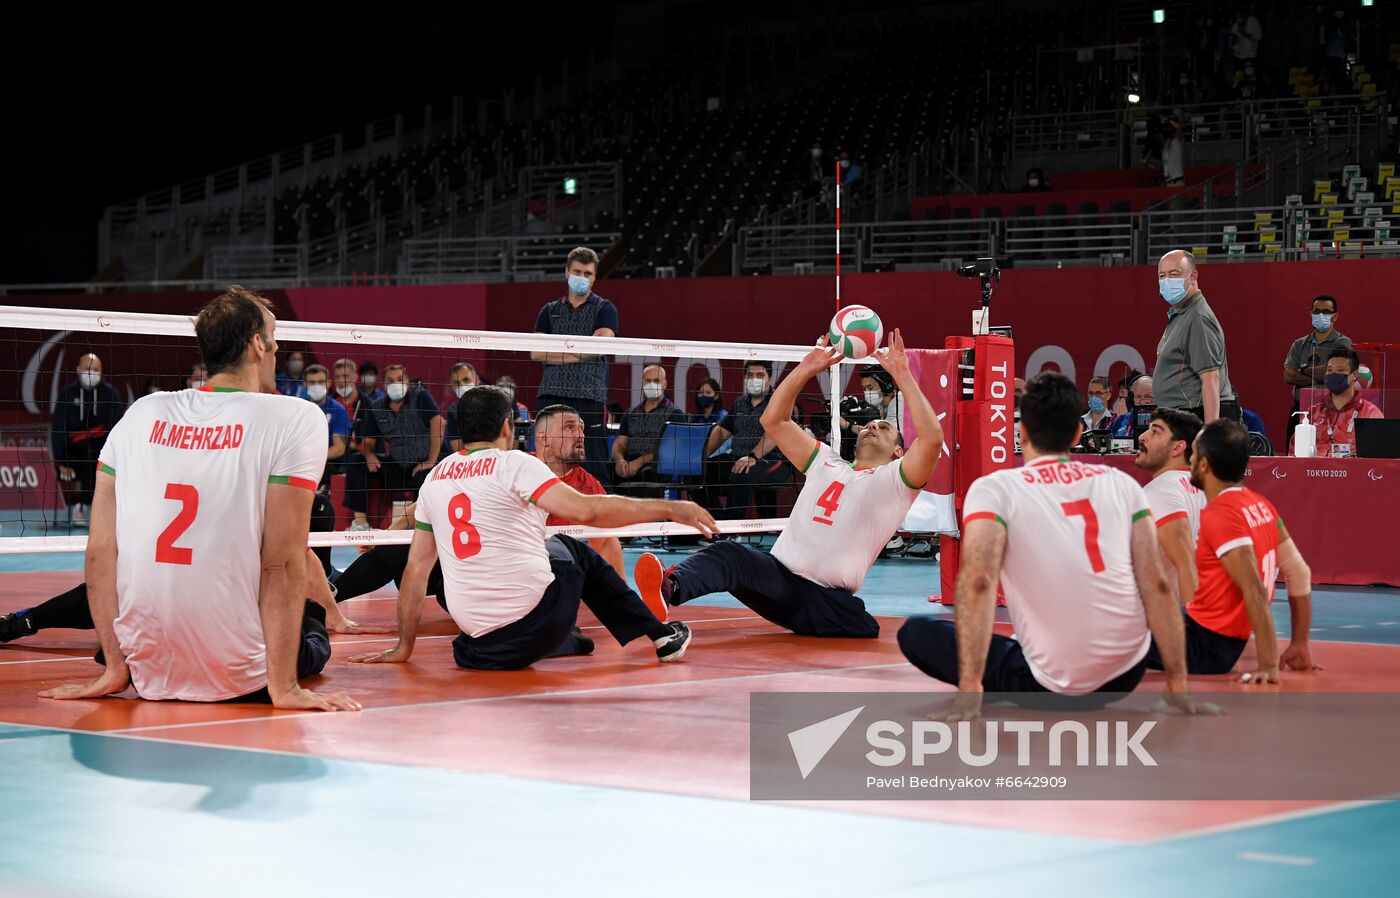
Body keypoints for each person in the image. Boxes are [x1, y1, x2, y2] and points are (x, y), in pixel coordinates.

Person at [39, 286, 358, 711]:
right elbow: (280, 563)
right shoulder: (296, 418)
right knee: (312, 627)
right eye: (274, 335)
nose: (279, 346)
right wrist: (285, 689)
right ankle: (308, 634)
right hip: (242, 675)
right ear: (256, 343)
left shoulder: (140, 413)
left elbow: (99, 552)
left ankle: (110, 662)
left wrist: (116, 668)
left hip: (147, 669)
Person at [897, 372, 1214, 718]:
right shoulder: (1122, 484)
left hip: (1055, 684)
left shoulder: (997, 488)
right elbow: (1156, 585)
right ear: (1077, 434)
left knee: (917, 632)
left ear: (1022, 432)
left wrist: (970, 686)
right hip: (1127, 672)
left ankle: (1004, 678)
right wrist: (1178, 684)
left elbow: (979, 582)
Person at [347, 388, 707, 671]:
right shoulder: (516, 463)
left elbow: (415, 571)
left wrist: (403, 647)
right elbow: (590, 511)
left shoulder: (435, 478)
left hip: (478, 648)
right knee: (572, 546)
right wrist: (670, 508)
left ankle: (566, 641)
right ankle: (661, 637)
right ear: (507, 427)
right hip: (540, 621)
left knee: (539, 555)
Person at [634, 330, 942, 639]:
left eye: (885, 426)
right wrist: (806, 367)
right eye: (870, 424)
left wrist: (902, 374)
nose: (874, 425)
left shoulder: (895, 482)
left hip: (827, 601)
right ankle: (668, 587)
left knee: (864, 627)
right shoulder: (827, 461)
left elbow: (932, 440)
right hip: (778, 582)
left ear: (899, 452)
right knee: (728, 553)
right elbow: (774, 422)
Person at [1146, 419, 1321, 680]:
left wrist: (1269, 664)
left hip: (1203, 644)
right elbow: (1299, 572)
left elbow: (1253, 589)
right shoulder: (1261, 504)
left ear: (1203, 464)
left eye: (1193, 453)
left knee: (1105, 624)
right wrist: (1299, 644)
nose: (1189, 460)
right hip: (1216, 638)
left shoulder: (1221, 514)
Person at [531, 246, 618, 484]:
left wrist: (558, 353)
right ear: (567, 272)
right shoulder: (549, 311)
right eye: (578, 272)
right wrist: (581, 352)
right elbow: (536, 352)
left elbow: (600, 345)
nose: (583, 278)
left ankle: (599, 518)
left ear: (595, 277)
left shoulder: (605, 309)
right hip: (550, 397)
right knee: (544, 465)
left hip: (588, 398)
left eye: (588, 274)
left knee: (594, 466)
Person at [346, 364, 444, 531]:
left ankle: (419, 527)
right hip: (398, 464)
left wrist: (430, 461)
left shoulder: (420, 396)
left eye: (400, 379)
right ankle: (360, 522)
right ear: (383, 384)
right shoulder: (377, 407)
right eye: (390, 380)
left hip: (423, 463)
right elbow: (368, 441)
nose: (395, 383)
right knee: (356, 461)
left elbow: (439, 422)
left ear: (407, 381)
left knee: (425, 479)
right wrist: (369, 455)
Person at [1154, 249, 1239, 423]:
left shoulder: (1198, 318)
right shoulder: (1181, 314)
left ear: (1193, 277)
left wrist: (1209, 432)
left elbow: (1211, 378)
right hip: (1183, 415)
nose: (1167, 281)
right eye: (1162, 276)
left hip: (1197, 415)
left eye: (1174, 274)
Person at [703, 361, 792, 519]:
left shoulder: (779, 401)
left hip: (773, 460)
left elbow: (775, 434)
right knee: (700, 473)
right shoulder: (739, 403)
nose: (754, 379)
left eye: (760, 375)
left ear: (769, 379)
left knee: (742, 474)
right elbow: (722, 432)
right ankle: (717, 524)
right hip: (738, 458)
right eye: (750, 375)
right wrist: (701, 456)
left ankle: (731, 531)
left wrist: (752, 457)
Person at [1134, 408, 1205, 605]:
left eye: (1155, 432)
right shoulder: (1206, 487)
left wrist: (1193, 630)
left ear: (1177, 448)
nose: (1142, 437)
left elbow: (1185, 563)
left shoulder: (1161, 491)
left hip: (1171, 616)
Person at [50, 353, 126, 527]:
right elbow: (58, 430)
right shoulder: (66, 394)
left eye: (96, 369)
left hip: (102, 454)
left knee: (95, 460)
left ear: (102, 371)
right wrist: (61, 461)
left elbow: (118, 431)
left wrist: (116, 459)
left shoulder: (111, 394)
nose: (91, 373)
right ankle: (85, 507)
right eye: (87, 369)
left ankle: (90, 508)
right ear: (78, 370)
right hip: (73, 455)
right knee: (87, 460)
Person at [1283, 294, 1351, 446]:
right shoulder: (1300, 344)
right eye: (1316, 311)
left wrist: (1302, 369)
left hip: (1331, 411)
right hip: (1301, 410)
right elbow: (1288, 375)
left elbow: (1333, 372)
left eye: (1326, 312)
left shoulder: (1342, 342)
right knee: (1293, 455)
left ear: (1335, 316)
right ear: (1311, 313)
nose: (1320, 315)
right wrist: (1319, 376)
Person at [1292, 348, 1382, 458]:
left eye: (1340, 370)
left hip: (1355, 473)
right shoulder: (1313, 413)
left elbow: (1378, 456)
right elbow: (1295, 452)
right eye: (1329, 370)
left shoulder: (1370, 413)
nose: (1333, 375)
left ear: (1354, 374)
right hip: (1316, 473)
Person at [612, 364, 682, 491]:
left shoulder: (674, 413)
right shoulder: (631, 413)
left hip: (657, 465)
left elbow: (671, 449)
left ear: (665, 384)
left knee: (647, 475)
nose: (651, 384)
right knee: (605, 471)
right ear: (643, 383)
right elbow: (619, 444)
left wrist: (640, 462)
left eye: (656, 381)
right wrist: (619, 460)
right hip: (628, 463)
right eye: (648, 381)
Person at [303, 364, 351, 479]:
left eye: (320, 382)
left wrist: (313, 459)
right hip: (301, 462)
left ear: (328, 383)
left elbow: (340, 447)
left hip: (330, 464)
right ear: (305, 384)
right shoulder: (298, 408)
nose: (316, 386)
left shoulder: (338, 410)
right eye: (312, 382)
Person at [442, 362, 481, 457]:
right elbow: (459, 450)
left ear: (476, 380)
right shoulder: (453, 411)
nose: (462, 385)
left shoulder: (494, 402)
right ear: (452, 386)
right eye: (456, 383)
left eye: (466, 380)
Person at [1110, 372, 1155, 439]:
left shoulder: (1167, 422)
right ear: (1131, 398)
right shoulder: (1120, 420)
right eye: (1138, 397)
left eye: (1148, 397)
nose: (1142, 402)